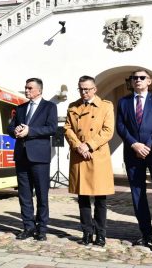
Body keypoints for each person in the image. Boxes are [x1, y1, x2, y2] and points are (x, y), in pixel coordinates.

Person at [116, 69, 152, 251]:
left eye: (141, 78)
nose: (137, 80)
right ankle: (146, 232)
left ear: (149, 81)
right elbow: (121, 126)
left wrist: (147, 145)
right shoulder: (123, 102)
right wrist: (135, 145)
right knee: (137, 192)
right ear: (131, 82)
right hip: (133, 153)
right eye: (134, 78)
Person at [64, 75, 114, 247]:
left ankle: (101, 234)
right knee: (83, 197)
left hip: (97, 155)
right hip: (79, 156)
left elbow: (108, 131)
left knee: (100, 199)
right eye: (81, 89)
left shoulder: (105, 106)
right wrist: (78, 146)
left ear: (95, 89)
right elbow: (68, 129)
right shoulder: (73, 106)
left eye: (87, 89)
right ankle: (87, 232)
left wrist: (89, 145)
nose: (83, 92)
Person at [7, 78, 58, 241]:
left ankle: (42, 228)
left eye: (30, 88)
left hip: (39, 157)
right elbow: (10, 126)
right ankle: (28, 226)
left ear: (39, 90)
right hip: (22, 156)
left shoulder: (49, 107)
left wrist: (30, 130)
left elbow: (52, 128)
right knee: (24, 194)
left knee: (42, 194)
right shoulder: (20, 108)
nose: (26, 90)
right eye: (25, 87)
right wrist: (14, 130)